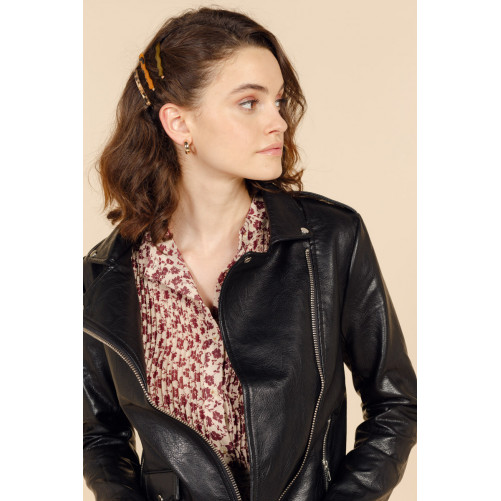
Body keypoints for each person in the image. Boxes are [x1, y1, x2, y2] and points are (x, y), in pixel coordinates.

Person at [83, 7, 417, 501]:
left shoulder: (327, 240)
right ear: (178, 122)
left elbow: (397, 404)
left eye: (278, 102)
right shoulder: (107, 276)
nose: (278, 122)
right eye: (249, 103)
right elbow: (99, 438)